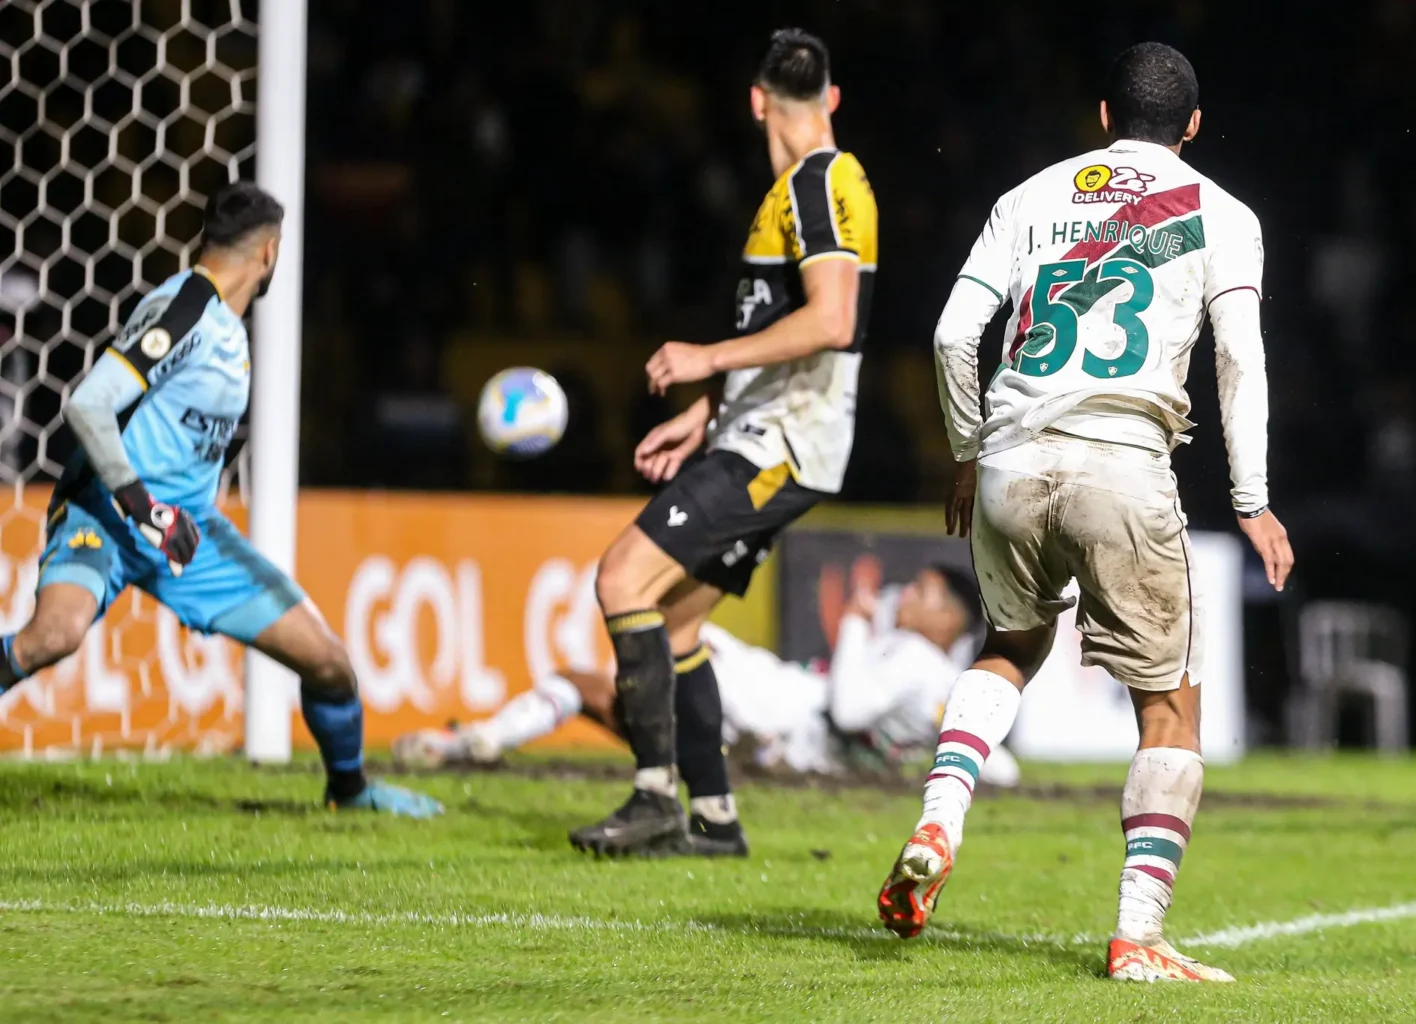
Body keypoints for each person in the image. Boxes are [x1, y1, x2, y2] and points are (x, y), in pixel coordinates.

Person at [875, 43, 1294, 982]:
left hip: (1013, 454)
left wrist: (966, 447)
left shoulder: (1029, 197)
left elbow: (953, 332)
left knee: (1009, 645)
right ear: (1192, 125)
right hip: (1123, 461)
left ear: (1104, 115)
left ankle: (940, 820)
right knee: (1170, 709)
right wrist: (1254, 503)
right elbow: (1240, 361)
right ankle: (1137, 937)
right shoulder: (1223, 215)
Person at [0, 182, 441, 817]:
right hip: (108, 514)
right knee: (54, 635)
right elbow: (87, 404)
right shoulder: (185, 309)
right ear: (269, 253)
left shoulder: (226, 330)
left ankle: (351, 792)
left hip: (187, 535)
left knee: (329, 664)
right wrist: (143, 506)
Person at [566, 29, 878, 856]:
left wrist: (705, 357)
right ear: (831, 98)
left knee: (622, 576)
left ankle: (652, 796)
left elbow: (832, 319)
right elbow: (792, 333)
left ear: (755, 101)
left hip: (782, 444)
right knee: (671, 624)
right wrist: (708, 412)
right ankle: (713, 818)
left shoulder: (817, 184)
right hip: (765, 431)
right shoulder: (806, 190)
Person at [394, 566, 1019, 846]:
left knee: (656, 646)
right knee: (604, 691)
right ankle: (473, 743)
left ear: (947, 619)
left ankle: (476, 740)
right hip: (774, 723)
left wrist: (854, 624)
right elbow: (997, 765)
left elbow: (851, 708)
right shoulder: (942, 679)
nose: (905, 595)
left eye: (923, 592)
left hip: (773, 711)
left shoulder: (912, 656)